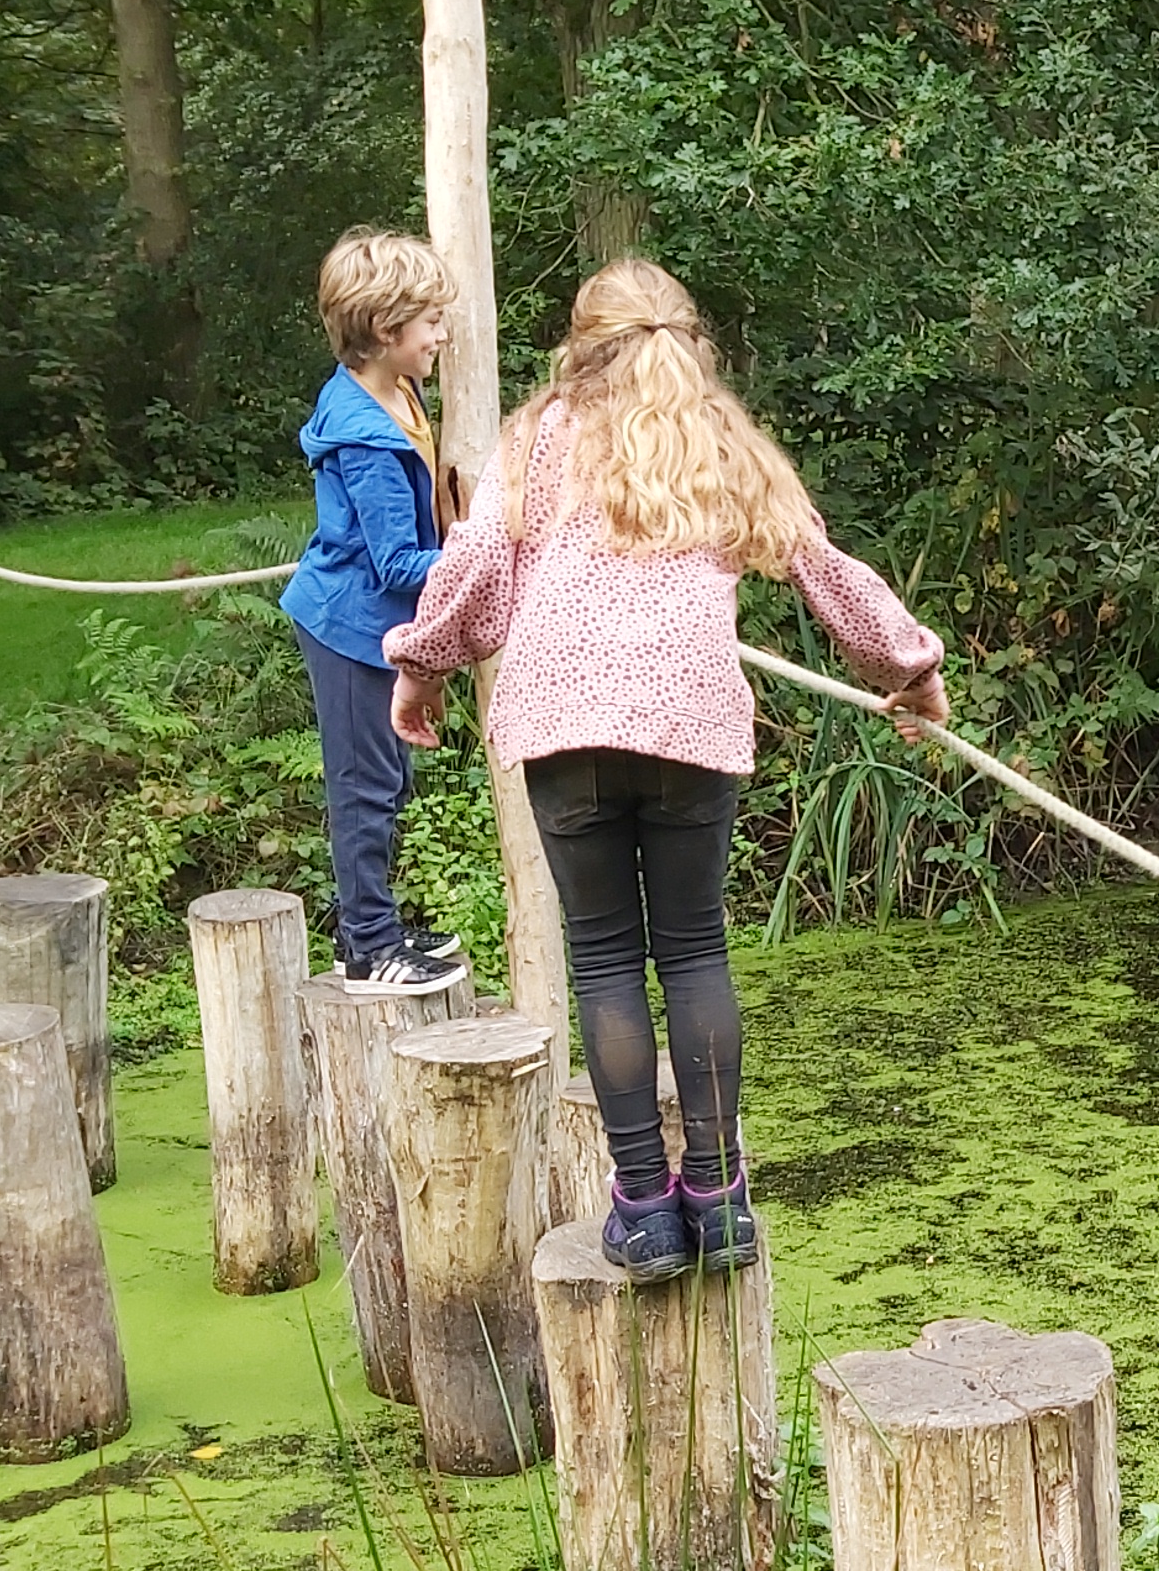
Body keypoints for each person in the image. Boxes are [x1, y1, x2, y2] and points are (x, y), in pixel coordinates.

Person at [384, 257, 948, 1283]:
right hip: (688, 721)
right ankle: (721, 1203)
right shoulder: (721, 439)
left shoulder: (543, 435)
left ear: (582, 343)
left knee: (603, 960)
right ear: (689, 340)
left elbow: (472, 566)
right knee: (692, 953)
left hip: (566, 726)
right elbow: (823, 566)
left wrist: (420, 668)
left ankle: (643, 1208)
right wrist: (907, 666)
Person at [283, 228, 464, 991]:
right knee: (363, 784)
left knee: (390, 780)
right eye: (430, 323)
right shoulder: (365, 436)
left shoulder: (395, 388)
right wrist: (485, 560)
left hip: (378, 623)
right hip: (351, 625)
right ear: (387, 333)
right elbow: (396, 563)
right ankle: (368, 947)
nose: (443, 335)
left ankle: (377, 923)